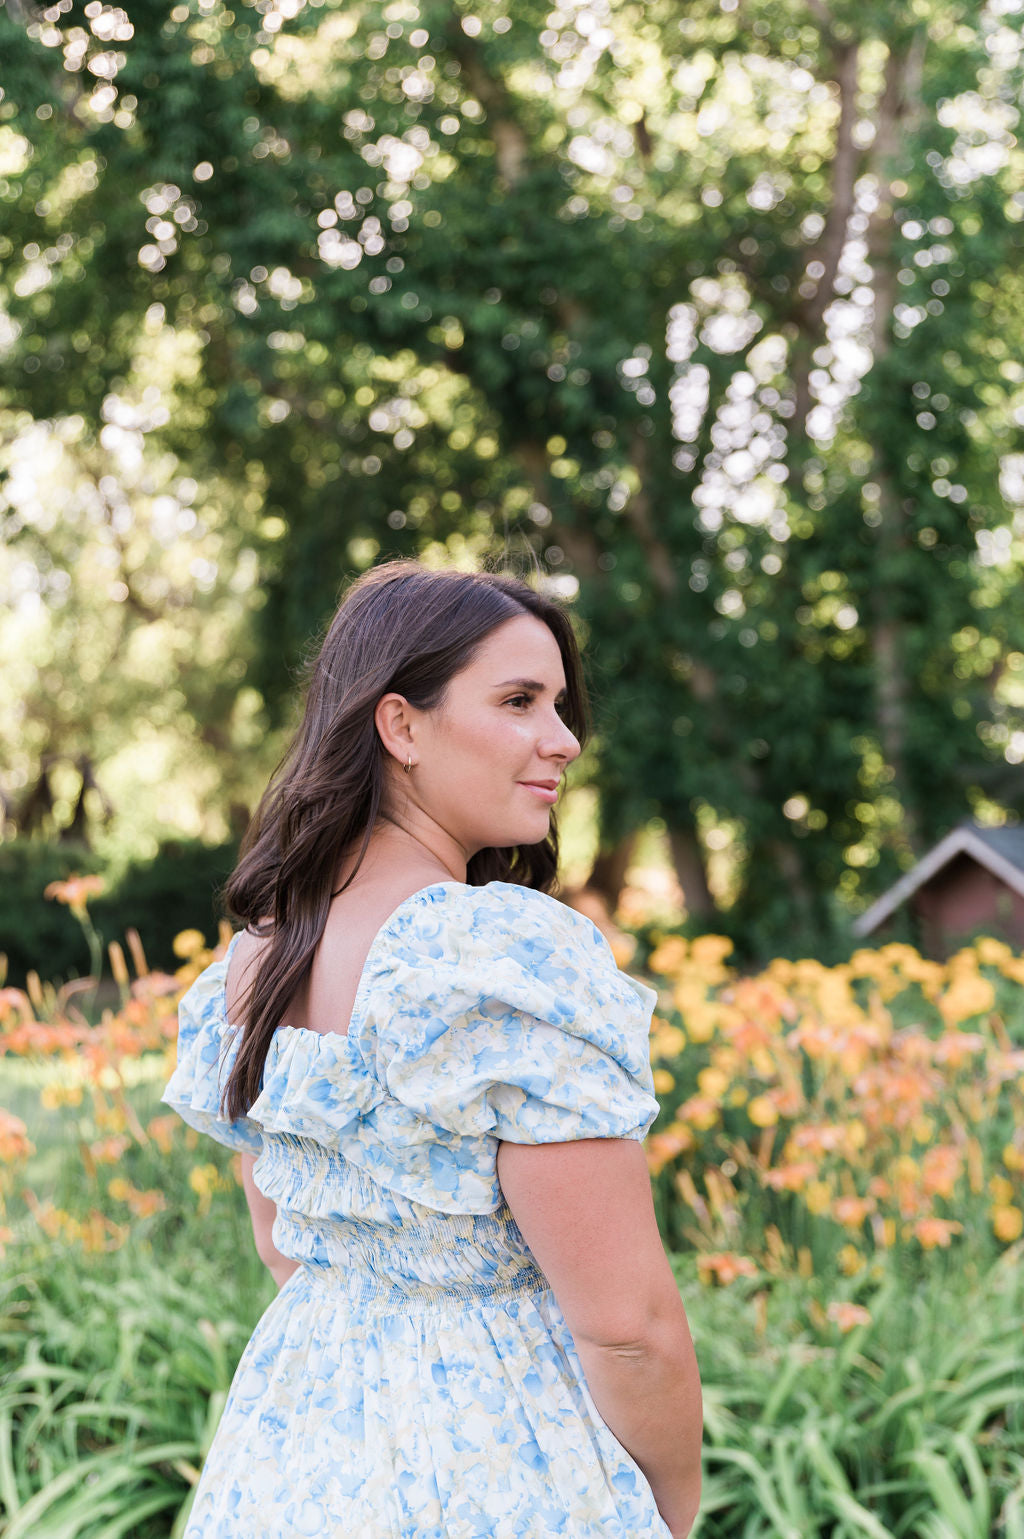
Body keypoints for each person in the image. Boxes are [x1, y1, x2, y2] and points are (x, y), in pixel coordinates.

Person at [162, 559, 703, 1538]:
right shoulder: (494, 959)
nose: (563, 740)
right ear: (400, 725)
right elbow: (628, 1327)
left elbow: (283, 1244)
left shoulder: (257, 960)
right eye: (518, 701)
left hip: (297, 1450)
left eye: (560, 705)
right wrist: (669, 1512)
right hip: (506, 1462)